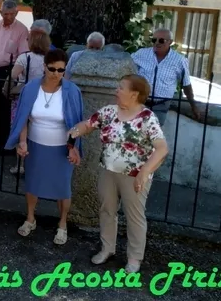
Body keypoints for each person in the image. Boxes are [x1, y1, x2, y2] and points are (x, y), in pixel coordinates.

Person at [67, 75, 169, 274]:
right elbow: (87, 125)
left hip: (135, 176)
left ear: (134, 94)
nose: (116, 90)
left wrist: (145, 172)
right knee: (107, 210)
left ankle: (134, 258)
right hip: (108, 171)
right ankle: (107, 249)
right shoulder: (109, 111)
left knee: (134, 216)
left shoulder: (147, 117)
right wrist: (73, 134)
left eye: (121, 87)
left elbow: (162, 148)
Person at [5, 49, 84, 246]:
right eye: (52, 69)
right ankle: (30, 218)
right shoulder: (31, 88)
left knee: (63, 187)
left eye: (61, 70)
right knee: (33, 183)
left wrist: (72, 147)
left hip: (62, 147)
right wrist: (22, 141)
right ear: (44, 67)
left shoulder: (72, 90)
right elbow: (23, 118)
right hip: (35, 144)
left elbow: (76, 123)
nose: (56, 73)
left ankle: (62, 224)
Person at [0, 0, 30, 153]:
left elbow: (23, 55)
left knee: (5, 108)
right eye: (5, 14)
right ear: (0, 12)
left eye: (11, 14)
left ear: (16, 13)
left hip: (9, 70)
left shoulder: (22, 30)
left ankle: (4, 143)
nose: (8, 17)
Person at [132, 28, 200, 122]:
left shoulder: (179, 60)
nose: (157, 43)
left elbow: (186, 84)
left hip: (161, 105)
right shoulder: (141, 54)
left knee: (154, 129)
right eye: (154, 40)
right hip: (139, 102)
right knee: (135, 128)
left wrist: (193, 106)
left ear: (170, 42)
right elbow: (126, 68)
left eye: (161, 40)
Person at [6, 29, 52, 160]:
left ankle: (20, 163)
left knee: (20, 126)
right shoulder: (49, 60)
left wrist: (7, 90)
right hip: (43, 97)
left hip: (23, 96)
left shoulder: (25, 57)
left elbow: (12, 76)